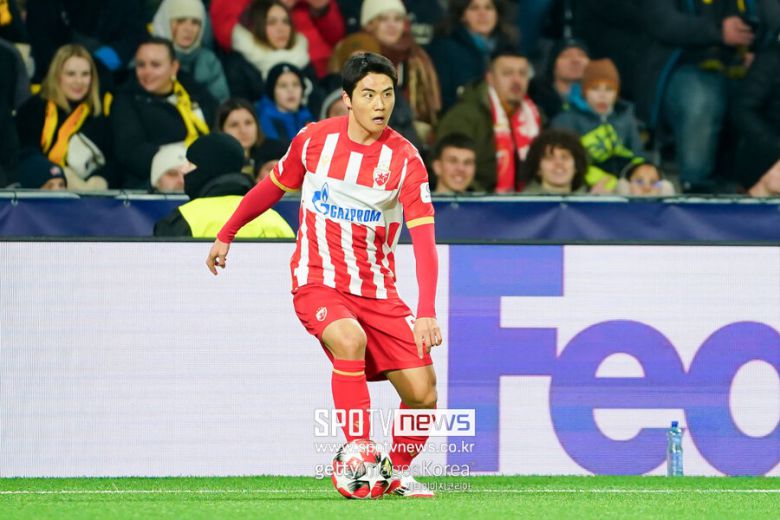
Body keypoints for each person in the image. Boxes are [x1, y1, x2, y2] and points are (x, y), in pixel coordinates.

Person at [206, 52, 441, 497]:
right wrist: (227, 232)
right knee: (349, 340)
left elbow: (425, 242)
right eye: (368, 94)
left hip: (377, 290)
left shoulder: (406, 160)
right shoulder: (314, 140)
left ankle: (394, 472)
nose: (380, 104)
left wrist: (425, 310)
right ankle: (360, 455)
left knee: (423, 394)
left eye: (387, 94)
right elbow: (271, 188)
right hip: (318, 281)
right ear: (347, 99)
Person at [636, 0, 780, 193]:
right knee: (702, 98)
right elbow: (661, 21)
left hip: (740, 66)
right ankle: (696, 185)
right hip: (684, 66)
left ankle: (752, 182)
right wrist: (718, 31)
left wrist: (761, 53)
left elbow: (772, 19)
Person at [111, 37, 216, 189]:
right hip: (154, 185)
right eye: (141, 65)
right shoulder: (125, 101)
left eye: (155, 65)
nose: (147, 72)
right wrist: (180, 161)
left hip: (204, 177)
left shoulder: (195, 91)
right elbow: (131, 152)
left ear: (174, 67)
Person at [436, 49, 541, 193]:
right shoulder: (464, 116)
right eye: (507, 73)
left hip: (525, 201)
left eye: (523, 74)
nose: (516, 80)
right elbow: (451, 167)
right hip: (476, 200)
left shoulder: (536, 116)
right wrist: (485, 199)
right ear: (490, 78)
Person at [154, 133, 294, 237]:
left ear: (208, 169)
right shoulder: (275, 221)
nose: (183, 171)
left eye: (190, 164)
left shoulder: (182, 220)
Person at [15, 44, 113, 190]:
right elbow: (23, 154)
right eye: (71, 74)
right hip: (38, 191)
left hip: (84, 195)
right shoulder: (33, 109)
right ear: (57, 75)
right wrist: (59, 175)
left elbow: (113, 162)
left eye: (85, 74)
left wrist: (98, 180)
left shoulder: (97, 116)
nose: (79, 81)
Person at [551, 58, 644, 192]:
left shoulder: (625, 118)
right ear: (584, 92)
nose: (602, 96)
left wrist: (638, 176)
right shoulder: (566, 121)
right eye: (595, 89)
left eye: (609, 89)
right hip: (583, 186)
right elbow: (566, 161)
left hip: (626, 183)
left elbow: (638, 155)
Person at [359, 0, 441, 142]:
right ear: (369, 24)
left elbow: (430, 108)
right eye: (383, 19)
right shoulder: (358, 57)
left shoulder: (418, 59)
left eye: (397, 19)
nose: (392, 25)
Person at [427, 0, 516, 111]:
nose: (482, 14)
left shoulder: (509, 48)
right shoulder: (443, 48)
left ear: (497, 14)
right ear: (462, 15)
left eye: (488, 8)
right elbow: (441, 97)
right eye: (474, 8)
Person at [151, 0, 231, 103]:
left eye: (195, 22)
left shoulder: (208, 61)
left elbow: (222, 104)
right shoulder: (146, 59)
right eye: (180, 21)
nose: (188, 29)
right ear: (165, 22)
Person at [216, 98, 287, 180]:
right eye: (234, 125)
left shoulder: (277, 153)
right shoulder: (216, 166)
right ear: (221, 130)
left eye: (248, 123)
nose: (243, 131)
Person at [528, 38, 590, 121]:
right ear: (553, 64)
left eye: (581, 55)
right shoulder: (536, 99)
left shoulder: (600, 98)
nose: (576, 60)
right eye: (566, 56)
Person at [255, 62, 314, 146]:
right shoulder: (263, 121)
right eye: (283, 86)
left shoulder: (308, 117)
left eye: (295, 84)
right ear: (272, 91)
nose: (290, 90)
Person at [521, 128, 589, 194]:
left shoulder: (591, 200)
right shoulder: (522, 201)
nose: (559, 163)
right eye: (549, 158)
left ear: (577, 166)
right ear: (537, 168)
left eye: (565, 157)